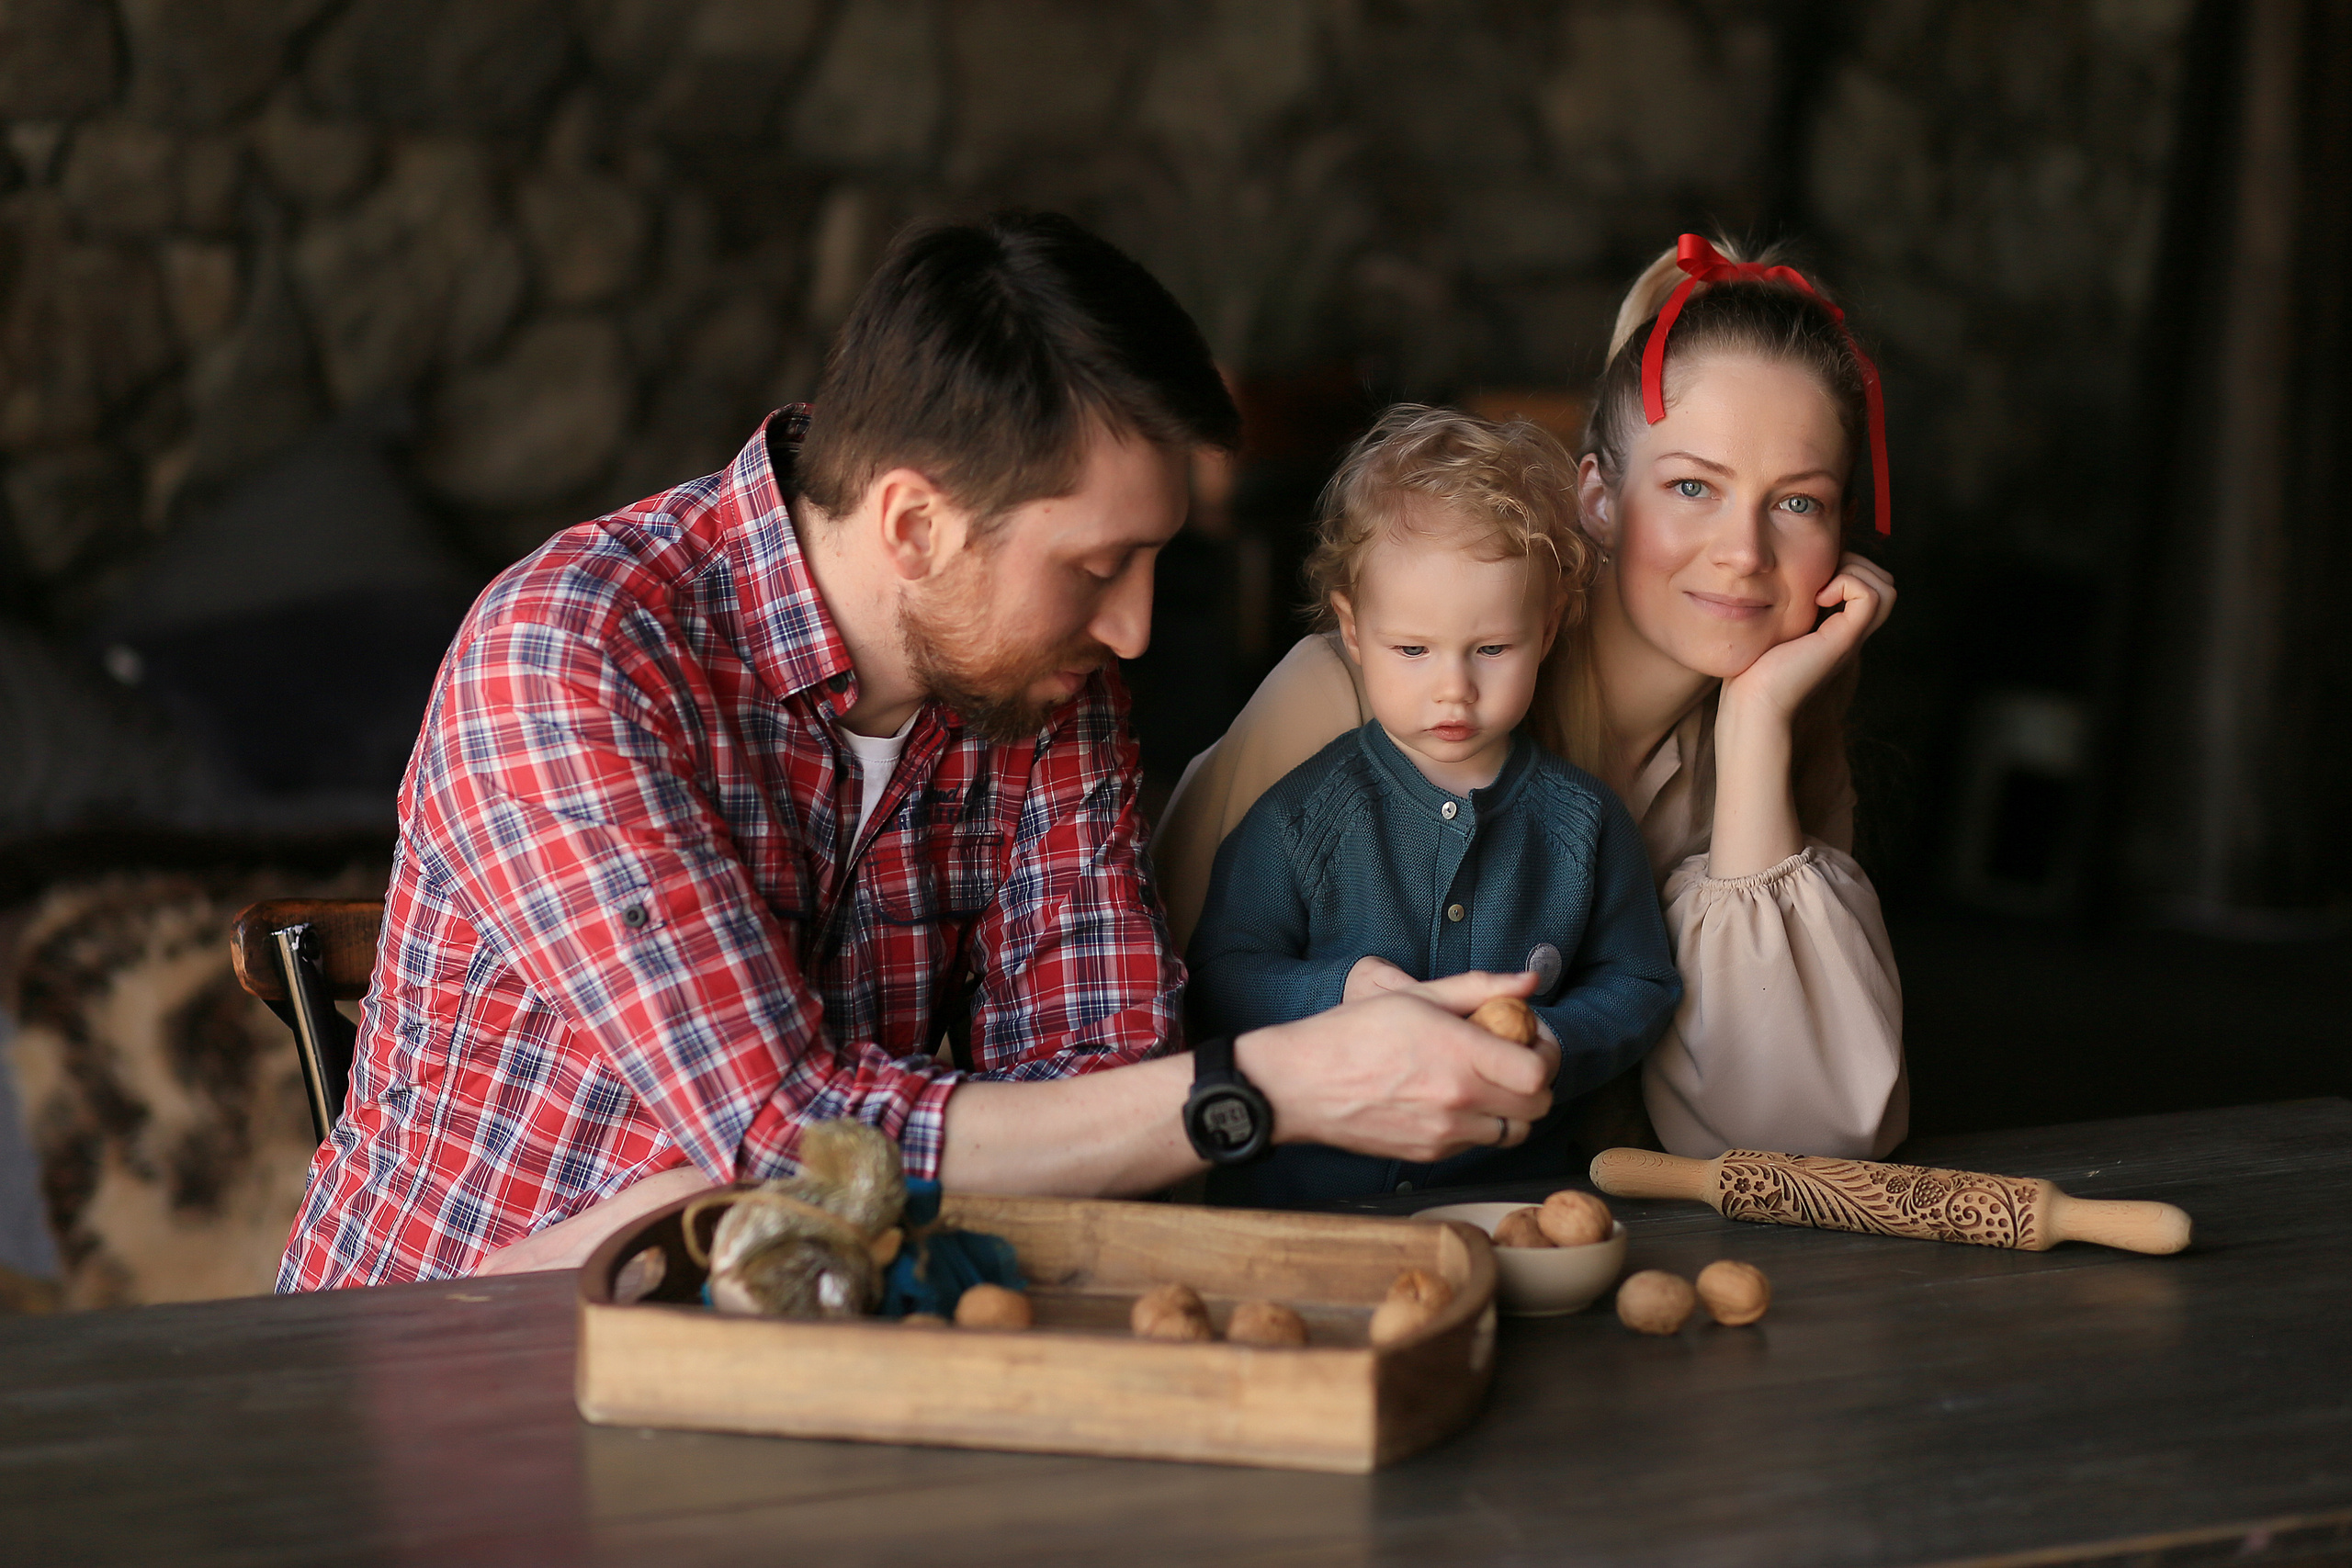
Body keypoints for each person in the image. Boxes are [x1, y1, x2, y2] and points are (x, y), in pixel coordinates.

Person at [279, 213, 1555, 1290]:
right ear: (912, 522)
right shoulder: (571, 656)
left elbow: (1094, 1085)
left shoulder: (1044, 681)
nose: (1134, 626)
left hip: (803, 1355)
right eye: (1098, 566)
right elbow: (786, 1138)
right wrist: (1268, 1082)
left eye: (1158, 559)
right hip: (442, 1366)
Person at [1156, 235, 1910, 1162]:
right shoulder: (1348, 697)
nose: (1745, 551)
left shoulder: (1785, 751)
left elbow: (1794, 1152)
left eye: (1797, 503)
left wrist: (1755, 730)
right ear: (1597, 498)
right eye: (1691, 486)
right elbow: (1148, 1022)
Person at [1187, 407, 1683, 1205]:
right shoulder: (1302, 818)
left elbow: (1641, 981)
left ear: (1547, 627)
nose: (1453, 686)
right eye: (1411, 650)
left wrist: (1556, 1038)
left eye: (1491, 649)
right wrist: (1341, 992)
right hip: (1307, 1209)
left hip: (1508, 1205)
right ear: (1353, 630)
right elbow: (1220, 976)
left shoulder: (1585, 825)